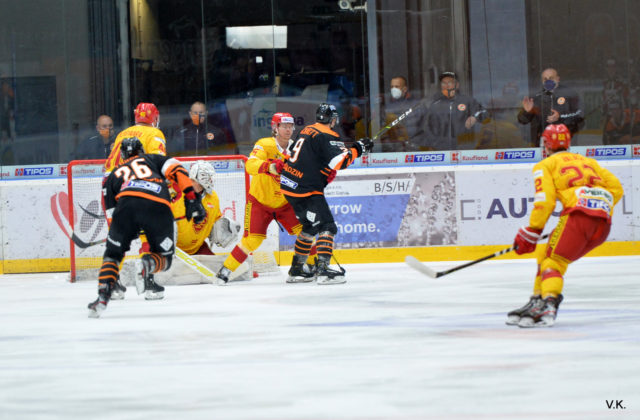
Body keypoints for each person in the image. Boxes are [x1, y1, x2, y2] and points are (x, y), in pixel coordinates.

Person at [507, 124, 623, 328]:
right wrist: (594, 206)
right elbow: (616, 189)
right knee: (545, 253)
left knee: (554, 262)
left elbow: (545, 202)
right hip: (603, 223)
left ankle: (549, 303)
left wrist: (533, 230)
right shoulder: (589, 161)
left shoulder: (545, 165)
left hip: (578, 218)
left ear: (546, 144)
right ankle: (537, 300)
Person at [87, 137, 206, 318]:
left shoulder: (112, 176)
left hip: (126, 205)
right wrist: (191, 198)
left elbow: (112, 215)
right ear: (141, 151)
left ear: (121, 155)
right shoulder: (152, 159)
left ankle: (102, 297)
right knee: (165, 259)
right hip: (157, 204)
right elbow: (179, 171)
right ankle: (146, 265)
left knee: (112, 255)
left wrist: (124, 234)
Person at [215, 112, 317, 285]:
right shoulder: (264, 144)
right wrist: (269, 166)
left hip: (285, 203)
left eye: (290, 126)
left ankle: (315, 266)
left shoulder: (297, 148)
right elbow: (250, 165)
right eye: (284, 126)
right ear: (275, 128)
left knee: (306, 233)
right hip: (259, 202)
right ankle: (225, 271)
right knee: (252, 240)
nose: (288, 130)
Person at [279, 103, 373, 285]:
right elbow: (338, 162)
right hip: (307, 189)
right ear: (332, 119)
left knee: (310, 226)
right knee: (327, 226)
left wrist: (351, 149)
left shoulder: (308, 129)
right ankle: (322, 269)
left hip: (289, 185)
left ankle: (297, 269)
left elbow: (301, 153)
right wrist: (359, 149)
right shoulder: (329, 134)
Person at [517, 68, 585, 147]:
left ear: (558, 79)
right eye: (545, 79)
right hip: (543, 144)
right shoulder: (537, 97)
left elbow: (580, 115)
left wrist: (560, 116)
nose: (548, 81)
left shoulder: (569, 94)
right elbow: (522, 121)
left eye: (551, 78)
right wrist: (527, 112)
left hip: (565, 142)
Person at [424, 71, 487, 150]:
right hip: (441, 149)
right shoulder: (434, 104)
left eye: (449, 83)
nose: (446, 86)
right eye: (443, 83)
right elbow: (428, 127)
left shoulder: (467, 101)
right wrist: (431, 145)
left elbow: (485, 113)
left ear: (457, 85)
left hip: (465, 147)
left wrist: (475, 117)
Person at [104, 102, 166, 172]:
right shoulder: (154, 133)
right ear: (155, 118)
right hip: (132, 177)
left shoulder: (122, 133)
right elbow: (158, 161)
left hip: (110, 176)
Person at [380, 76, 425, 151]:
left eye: (397, 86)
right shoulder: (386, 108)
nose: (393, 89)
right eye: (392, 87)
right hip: (394, 150)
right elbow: (383, 131)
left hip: (415, 148)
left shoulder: (417, 105)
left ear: (405, 89)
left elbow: (424, 128)